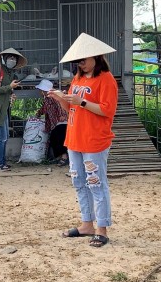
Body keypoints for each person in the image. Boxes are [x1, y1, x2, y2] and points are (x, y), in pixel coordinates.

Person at [49, 33, 118, 248]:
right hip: (75, 138)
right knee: (78, 182)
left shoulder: (106, 79)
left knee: (96, 183)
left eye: (83, 60)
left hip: (94, 140)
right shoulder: (78, 79)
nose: (80, 64)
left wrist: (82, 101)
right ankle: (87, 224)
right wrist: (61, 98)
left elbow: (107, 110)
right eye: (77, 61)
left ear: (96, 57)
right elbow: (71, 108)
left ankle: (102, 228)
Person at [0, 48, 25, 170]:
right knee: (1, 138)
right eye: (10, 58)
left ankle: (3, 162)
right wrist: (10, 87)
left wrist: (11, 93)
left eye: (14, 58)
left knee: (5, 138)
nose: (12, 60)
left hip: (4, 111)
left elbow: (7, 90)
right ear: (4, 58)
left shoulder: (10, 73)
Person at [35, 79, 69, 166]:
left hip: (61, 122)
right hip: (56, 123)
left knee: (60, 139)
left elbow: (60, 105)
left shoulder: (55, 96)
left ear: (43, 90)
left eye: (41, 90)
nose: (40, 91)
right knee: (54, 139)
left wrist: (62, 115)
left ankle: (64, 157)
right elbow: (44, 108)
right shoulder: (47, 99)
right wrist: (38, 114)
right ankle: (60, 157)